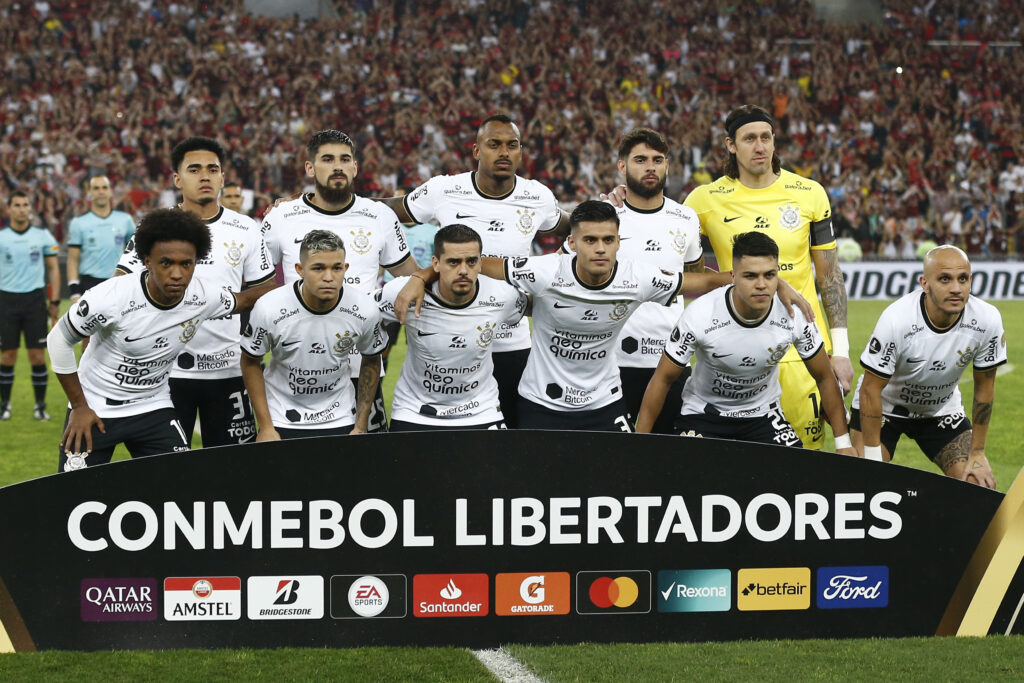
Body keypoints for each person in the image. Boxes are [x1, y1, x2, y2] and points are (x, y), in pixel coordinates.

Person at [398, 201, 811, 432]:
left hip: (604, 402)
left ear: (619, 242)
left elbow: (701, 281)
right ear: (572, 242)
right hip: (540, 404)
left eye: (608, 239)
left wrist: (779, 284)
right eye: (590, 240)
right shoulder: (543, 272)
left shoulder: (639, 279)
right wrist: (422, 274)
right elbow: (474, 262)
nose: (600, 248)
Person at [379, 114, 571, 428]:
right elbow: (386, 209)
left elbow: (578, 227)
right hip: (455, 337)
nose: (504, 152)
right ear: (477, 151)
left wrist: (615, 204)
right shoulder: (444, 189)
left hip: (511, 340)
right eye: (494, 144)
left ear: (521, 152)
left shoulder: (537, 196)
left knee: (510, 442)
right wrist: (320, 203)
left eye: (512, 145)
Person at [46, 209, 266, 471]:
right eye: (166, 263)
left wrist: (302, 288)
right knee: (71, 498)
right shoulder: (110, 298)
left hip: (153, 407)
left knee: (177, 491)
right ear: (147, 261)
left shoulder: (202, 296)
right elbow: (58, 340)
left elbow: (244, 300)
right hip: (95, 408)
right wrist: (79, 407)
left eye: (186, 264)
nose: (177, 274)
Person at [116, 137, 276, 447]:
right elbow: (121, 283)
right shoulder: (155, 228)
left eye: (212, 169)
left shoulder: (245, 228)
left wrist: (223, 306)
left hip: (229, 370)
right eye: (194, 169)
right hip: (165, 373)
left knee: (232, 471)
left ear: (222, 177)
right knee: (170, 473)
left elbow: (264, 290)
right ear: (177, 179)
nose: (205, 176)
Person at [636, 232, 855, 454]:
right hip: (704, 415)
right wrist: (638, 442)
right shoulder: (700, 315)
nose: (761, 285)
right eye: (750, 276)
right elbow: (662, 379)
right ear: (732, 276)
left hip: (763, 415)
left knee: (791, 477)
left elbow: (825, 377)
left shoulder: (794, 313)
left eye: (769, 275)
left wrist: (844, 444)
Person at [261, 129, 417, 433]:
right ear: (310, 168)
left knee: (365, 464)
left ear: (355, 167)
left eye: (345, 159)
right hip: (298, 364)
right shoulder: (282, 217)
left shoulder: (379, 215)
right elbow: (256, 282)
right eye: (327, 159)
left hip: (363, 361)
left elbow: (409, 274)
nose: (338, 166)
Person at [565, 128, 704, 433]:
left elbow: (696, 279)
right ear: (622, 167)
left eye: (657, 159)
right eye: (640, 159)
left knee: (668, 461)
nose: (650, 166)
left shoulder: (686, 219)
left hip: (671, 362)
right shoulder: (602, 217)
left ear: (667, 165)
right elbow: (565, 275)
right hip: (609, 364)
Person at [850, 246, 1004, 488]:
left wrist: (977, 453)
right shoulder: (897, 319)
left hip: (940, 410)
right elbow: (870, 390)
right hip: (885, 409)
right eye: (945, 279)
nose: (955, 288)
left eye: (962, 279)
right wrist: (871, 459)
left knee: (979, 485)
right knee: (862, 485)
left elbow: (985, 387)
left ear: (971, 281)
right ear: (924, 283)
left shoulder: (987, 320)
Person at [377, 224, 527, 431]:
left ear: (480, 263)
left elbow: (543, 308)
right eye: (453, 262)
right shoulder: (401, 292)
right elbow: (359, 314)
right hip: (415, 412)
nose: (464, 270)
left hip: (480, 411)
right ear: (436, 264)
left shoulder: (503, 296)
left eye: (471, 261)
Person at [240, 230, 387, 439]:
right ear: (300, 269)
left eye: (336, 268)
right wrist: (265, 426)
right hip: (282, 418)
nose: (328, 277)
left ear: (345, 268)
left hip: (341, 417)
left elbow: (372, 359)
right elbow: (250, 361)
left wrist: (361, 425)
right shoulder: (269, 307)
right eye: (318, 268)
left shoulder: (364, 308)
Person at [0, 191, 61, 421]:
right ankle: (4, 405)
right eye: (16, 205)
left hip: (34, 301)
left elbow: (54, 268)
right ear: (9, 209)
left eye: (25, 204)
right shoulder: (2, 237)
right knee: (7, 356)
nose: (21, 209)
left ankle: (40, 406)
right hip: (6, 300)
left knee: (37, 356)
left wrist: (54, 300)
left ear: (30, 208)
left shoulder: (42, 236)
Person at [67, 175, 135, 300]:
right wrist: (74, 291)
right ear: (90, 193)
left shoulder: (125, 220)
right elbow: (72, 259)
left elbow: (134, 254)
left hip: (119, 283)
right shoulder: (78, 223)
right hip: (89, 284)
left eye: (104, 187)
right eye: (96, 188)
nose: (101, 191)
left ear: (110, 191)